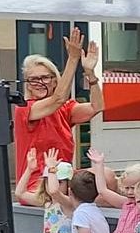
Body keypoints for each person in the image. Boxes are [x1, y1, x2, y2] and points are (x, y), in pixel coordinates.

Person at [15, 27, 103, 191]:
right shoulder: (24, 108)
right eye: (33, 79)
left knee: (108, 178)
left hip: (65, 177)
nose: (39, 83)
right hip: (38, 183)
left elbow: (97, 107)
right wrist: (73, 58)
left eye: (45, 77)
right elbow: (58, 98)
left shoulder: (65, 107)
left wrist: (90, 74)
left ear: (55, 81)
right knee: (82, 192)